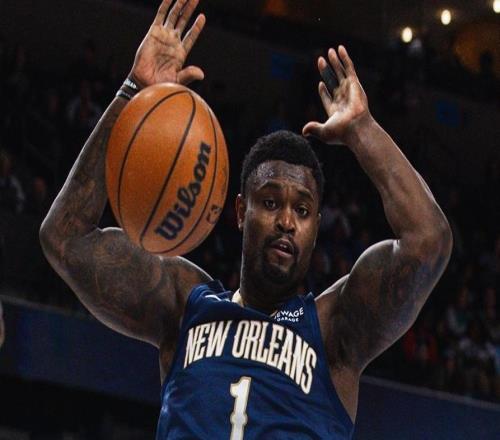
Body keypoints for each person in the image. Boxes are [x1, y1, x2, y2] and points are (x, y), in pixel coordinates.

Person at [39, 0, 453, 438]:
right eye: (271, 203)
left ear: (316, 228)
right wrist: (133, 92)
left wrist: (362, 130)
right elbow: (65, 238)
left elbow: (428, 241)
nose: (287, 221)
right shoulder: (184, 304)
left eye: (303, 210)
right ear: (240, 212)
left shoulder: (334, 330)